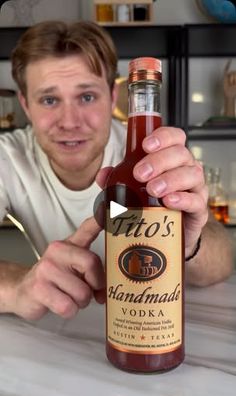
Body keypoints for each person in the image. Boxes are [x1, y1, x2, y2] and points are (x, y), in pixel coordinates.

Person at [0, 20, 233, 321]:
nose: (70, 121)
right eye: (49, 99)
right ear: (25, 104)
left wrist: (190, 242)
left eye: (86, 97)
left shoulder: (148, 156)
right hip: (65, 330)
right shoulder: (8, 156)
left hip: (157, 321)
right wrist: (17, 287)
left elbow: (223, 262)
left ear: (112, 97)